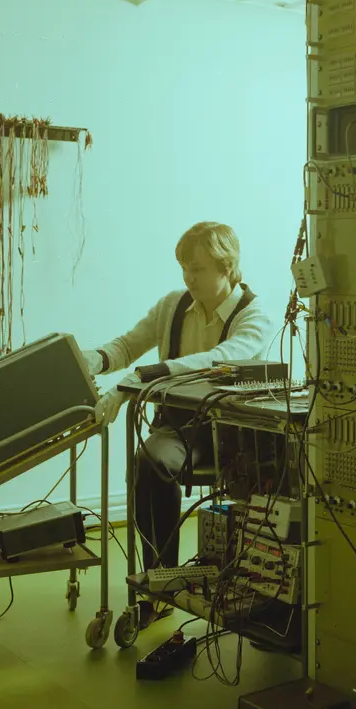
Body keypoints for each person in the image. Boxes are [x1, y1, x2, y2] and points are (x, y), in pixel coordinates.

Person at [81, 222, 269, 628]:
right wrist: (91, 359)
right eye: (184, 267)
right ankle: (160, 580)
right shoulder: (171, 306)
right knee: (149, 462)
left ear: (227, 266)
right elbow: (127, 345)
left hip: (230, 439)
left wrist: (140, 379)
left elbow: (217, 360)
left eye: (197, 268)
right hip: (177, 429)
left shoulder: (254, 317)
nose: (188, 277)